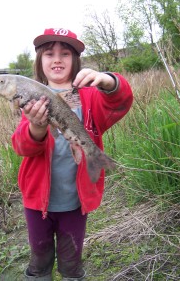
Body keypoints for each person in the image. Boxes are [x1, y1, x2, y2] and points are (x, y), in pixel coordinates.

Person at [11, 28, 133, 281]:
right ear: (40, 61)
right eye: (49, 53)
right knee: (39, 259)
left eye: (65, 53)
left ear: (75, 60)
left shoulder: (90, 96)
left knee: (71, 261)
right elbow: (22, 147)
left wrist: (109, 81)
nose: (57, 59)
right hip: (37, 202)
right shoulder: (31, 98)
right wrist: (37, 126)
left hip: (76, 203)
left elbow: (120, 102)